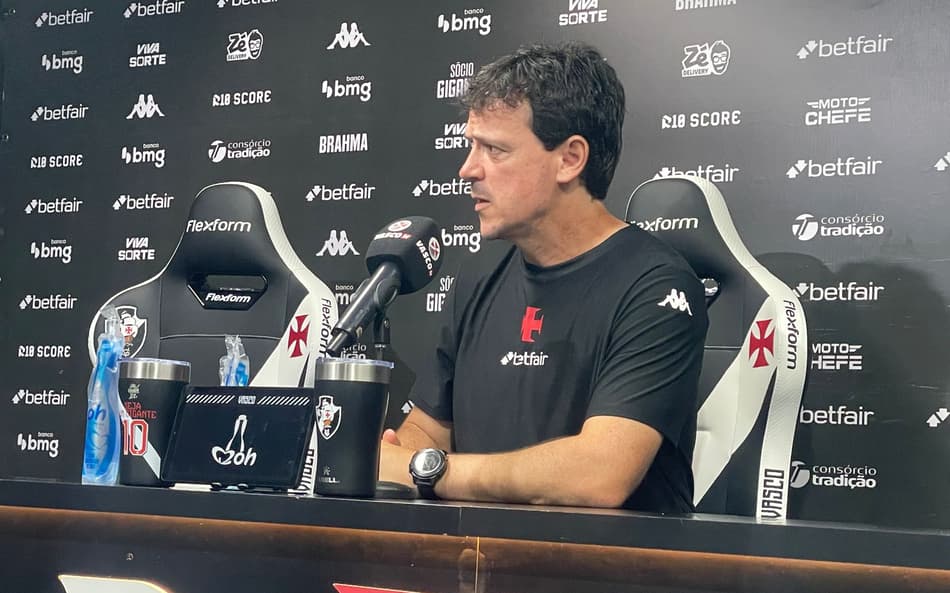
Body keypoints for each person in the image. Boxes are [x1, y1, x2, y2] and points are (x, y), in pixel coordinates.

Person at [379, 42, 708, 512]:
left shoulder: (656, 286)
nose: (467, 170)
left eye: (494, 148)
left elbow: (599, 475)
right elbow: (427, 432)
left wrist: (431, 471)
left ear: (570, 159)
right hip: (473, 568)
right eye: (471, 146)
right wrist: (403, 455)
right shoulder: (479, 275)